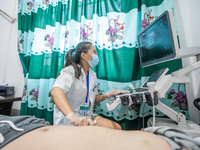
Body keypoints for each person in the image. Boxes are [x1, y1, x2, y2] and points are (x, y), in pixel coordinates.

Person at [51, 41, 127, 129]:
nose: (96, 55)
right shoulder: (69, 71)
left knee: (116, 128)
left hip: (87, 115)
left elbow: (93, 98)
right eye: (94, 51)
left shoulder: (92, 74)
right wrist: (72, 117)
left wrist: (106, 95)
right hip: (69, 119)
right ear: (84, 55)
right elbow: (56, 92)